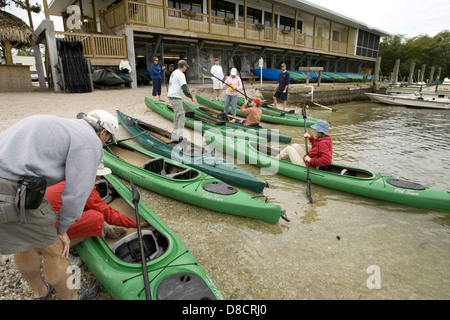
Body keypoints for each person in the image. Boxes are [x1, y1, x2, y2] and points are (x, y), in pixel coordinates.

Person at [0, 109, 118, 300]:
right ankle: (71, 298)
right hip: (12, 188)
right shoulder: (90, 141)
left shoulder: (60, 125)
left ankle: (41, 292)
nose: (104, 144)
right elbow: (76, 193)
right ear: (103, 133)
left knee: (23, 244)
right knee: (55, 250)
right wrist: (62, 229)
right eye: (107, 140)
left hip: (8, 180)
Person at [46, 163, 150, 248]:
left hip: (45, 215)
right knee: (96, 218)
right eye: (97, 175)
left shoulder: (74, 176)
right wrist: (136, 224)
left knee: (92, 212)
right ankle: (65, 247)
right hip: (48, 225)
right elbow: (108, 213)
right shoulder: (85, 187)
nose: (99, 178)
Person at [167, 59, 195, 142]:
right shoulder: (181, 74)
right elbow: (184, 87)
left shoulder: (174, 72)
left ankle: (175, 135)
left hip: (172, 96)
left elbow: (179, 86)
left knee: (177, 115)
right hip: (175, 97)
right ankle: (179, 137)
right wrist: (190, 96)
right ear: (183, 66)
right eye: (186, 67)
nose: (186, 68)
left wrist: (188, 90)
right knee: (181, 116)